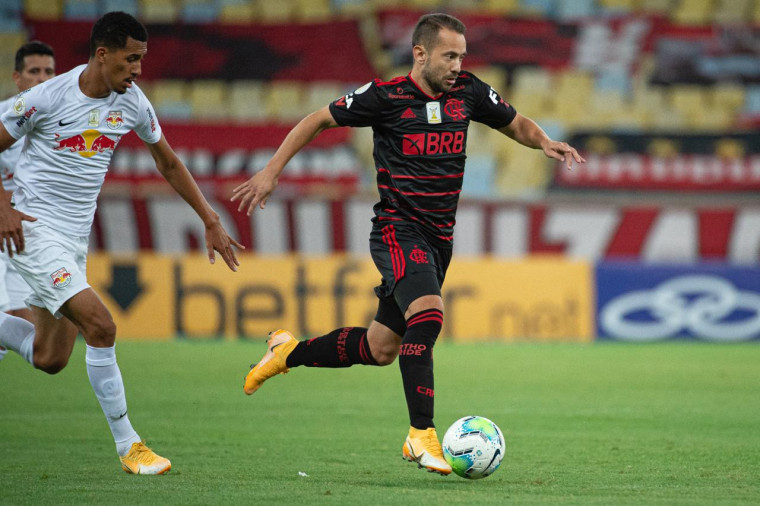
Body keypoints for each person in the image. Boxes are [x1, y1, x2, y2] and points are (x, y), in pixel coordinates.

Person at [231, 13, 584, 475]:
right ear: (420, 54)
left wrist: (544, 142)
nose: (457, 65)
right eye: (449, 56)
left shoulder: (469, 92)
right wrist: (272, 170)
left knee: (380, 348)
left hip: (439, 240)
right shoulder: (385, 97)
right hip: (398, 229)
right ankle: (421, 434)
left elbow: (515, 123)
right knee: (429, 316)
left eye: (462, 56)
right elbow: (318, 119)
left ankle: (287, 353)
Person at [0, 12, 242, 475]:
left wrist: (210, 218)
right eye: (131, 59)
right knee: (102, 326)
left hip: (74, 238)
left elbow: (168, 163)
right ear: (102, 54)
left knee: (50, 358)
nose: (138, 69)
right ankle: (130, 445)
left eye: (141, 59)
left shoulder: (131, 102)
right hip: (33, 229)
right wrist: (4, 209)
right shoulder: (47, 97)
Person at [0, 41, 56, 363]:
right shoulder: (2, 116)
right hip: (1, 226)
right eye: (34, 71)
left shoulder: (59, 122)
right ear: (17, 78)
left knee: (33, 338)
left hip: (24, 238)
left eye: (49, 71)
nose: (42, 78)